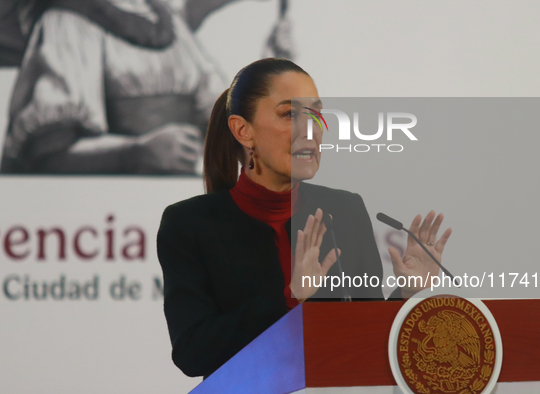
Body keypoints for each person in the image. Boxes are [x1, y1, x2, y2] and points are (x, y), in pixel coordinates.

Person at [156, 58, 452, 378]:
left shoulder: (345, 210)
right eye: (290, 114)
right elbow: (192, 352)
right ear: (243, 131)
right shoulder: (188, 223)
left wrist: (407, 293)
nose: (311, 129)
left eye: (316, 114)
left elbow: (368, 334)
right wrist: (289, 297)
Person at [0, 0, 292, 175]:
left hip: (171, 208)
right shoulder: (66, 23)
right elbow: (46, 154)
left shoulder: (168, 23)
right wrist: (138, 152)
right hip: (107, 222)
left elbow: (221, 119)